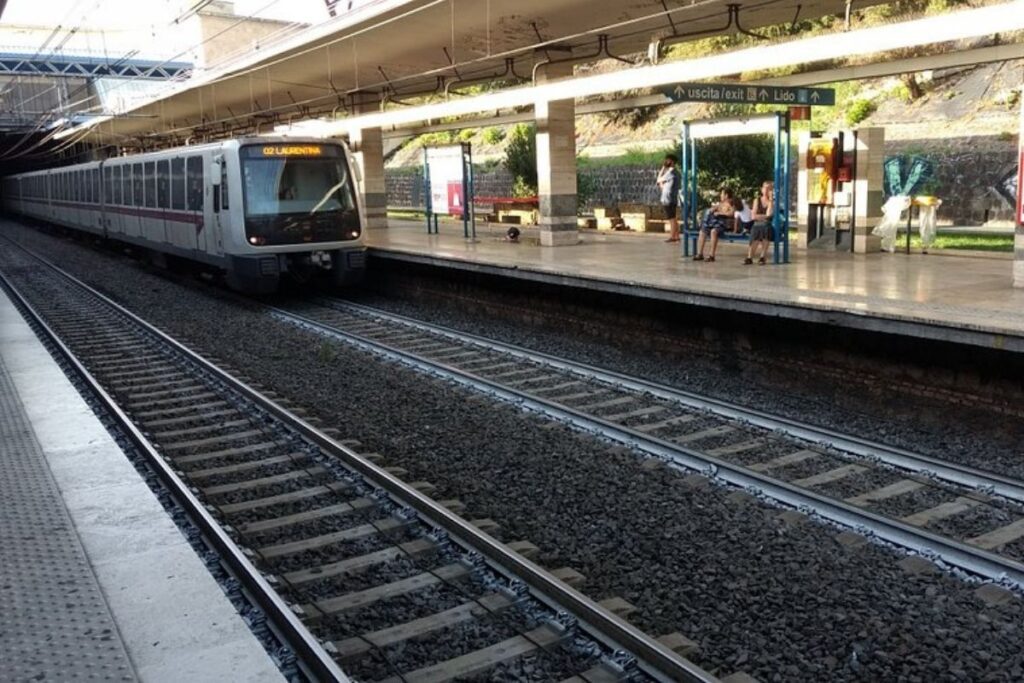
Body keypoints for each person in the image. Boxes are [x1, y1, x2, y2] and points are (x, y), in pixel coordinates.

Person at [693, 187, 735, 262]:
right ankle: (700, 253)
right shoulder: (721, 204)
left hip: (723, 223)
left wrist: (720, 213)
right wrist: (713, 209)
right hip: (715, 222)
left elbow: (732, 214)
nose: (720, 196)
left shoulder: (731, 203)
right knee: (702, 231)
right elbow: (714, 209)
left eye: (722, 194)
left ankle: (712, 255)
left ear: (726, 195)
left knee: (713, 232)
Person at [744, 181, 774, 265]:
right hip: (757, 224)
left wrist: (771, 200)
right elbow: (753, 216)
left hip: (767, 225)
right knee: (756, 230)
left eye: (769, 189)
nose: (767, 190)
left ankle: (762, 257)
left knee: (766, 229)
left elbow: (769, 214)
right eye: (765, 188)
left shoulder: (772, 202)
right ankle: (750, 257)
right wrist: (764, 217)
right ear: (762, 189)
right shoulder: (756, 200)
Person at [656, 154, 682, 242]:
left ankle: (672, 237)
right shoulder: (677, 173)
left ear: (671, 162)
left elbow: (658, 179)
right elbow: (669, 186)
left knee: (672, 219)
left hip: (668, 198)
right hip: (672, 197)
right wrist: (662, 185)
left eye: (667, 160)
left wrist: (663, 168)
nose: (665, 162)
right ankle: (677, 236)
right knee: (673, 217)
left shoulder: (670, 172)